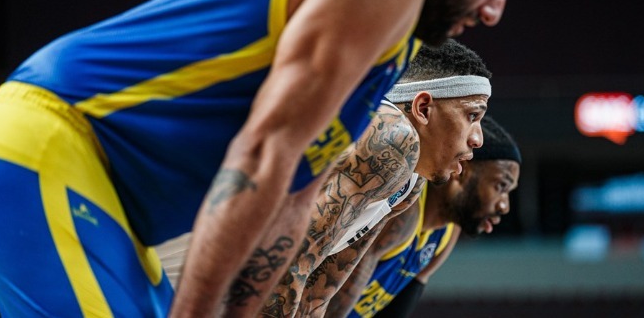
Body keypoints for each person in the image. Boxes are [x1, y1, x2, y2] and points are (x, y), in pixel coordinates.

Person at [0, 0, 542, 317]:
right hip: (57, 139)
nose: (494, 12)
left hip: (109, 187)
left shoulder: (388, 52)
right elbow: (264, 153)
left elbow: (294, 201)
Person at [157, 39, 492, 316]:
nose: (478, 138)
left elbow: (319, 289)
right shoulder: (392, 134)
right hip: (171, 261)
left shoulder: (409, 181)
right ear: (423, 108)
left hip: (211, 285)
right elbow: (286, 264)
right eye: (472, 115)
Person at [328, 116, 522, 317]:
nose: (504, 206)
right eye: (501, 186)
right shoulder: (402, 212)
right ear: (463, 171)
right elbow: (329, 303)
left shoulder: (446, 233)